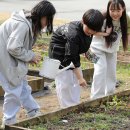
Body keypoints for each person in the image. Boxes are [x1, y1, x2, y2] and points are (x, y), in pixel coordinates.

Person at [0, 0, 56, 127]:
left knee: (23, 86)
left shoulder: (28, 23)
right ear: (42, 15)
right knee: (13, 88)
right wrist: (30, 56)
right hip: (4, 57)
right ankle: (9, 121)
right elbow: (13, 47)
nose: (48, 23)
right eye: (48, 19)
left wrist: (30, 57)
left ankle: (33, 111)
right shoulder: (23, 25)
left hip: (7, 57)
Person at [49, 9, 104, 108]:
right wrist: (80, 78)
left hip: (71, 52)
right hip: (58, 54)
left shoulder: (88, 31)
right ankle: (66, 108)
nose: (91, 32)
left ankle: (74, 105)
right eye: (89, 28)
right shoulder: (73, 35)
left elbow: (84, 47)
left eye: (94, 30)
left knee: (74, 81)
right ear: (83, 21)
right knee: (65, 83)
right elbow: (73, 58)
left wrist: (97, 61)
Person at [89, 0, 130, 99]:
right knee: (101, 69)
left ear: (123, 9)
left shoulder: (126, 19)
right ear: (108, 9)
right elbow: (89, 30)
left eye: (118, 10)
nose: (115, 13)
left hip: (112, 50)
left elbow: (128, 34)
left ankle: (109, 96)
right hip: (96, 49)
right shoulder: (101, 16)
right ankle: (96, 98)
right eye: (112, 10)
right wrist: (106, 34)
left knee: (111, 72)